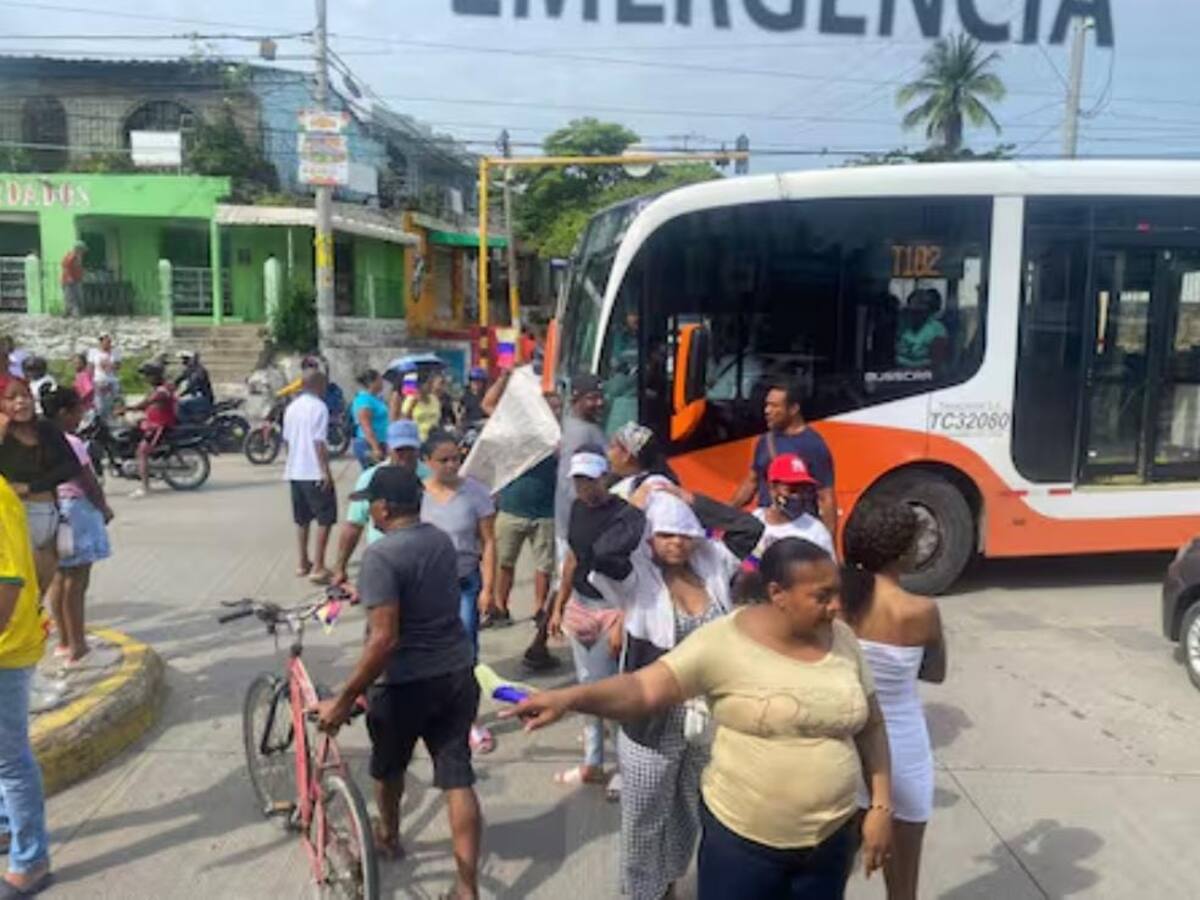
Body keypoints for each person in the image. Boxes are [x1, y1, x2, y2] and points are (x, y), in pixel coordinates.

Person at [509, 537, 895, 900]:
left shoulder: (841, 638)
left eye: (836, 593)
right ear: (777, 594)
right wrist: (569, 698)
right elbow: (643, 690)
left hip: (830, 844)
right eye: (821, 596)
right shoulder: (723, 642)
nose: (836, 606)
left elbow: (872, 725)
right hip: (744, 848)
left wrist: (880, 806)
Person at [584, 483, 764, 900]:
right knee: (644, 817)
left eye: (683, 533)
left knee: (688, 810)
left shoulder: (712, 565)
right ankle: (641, 892)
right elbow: (604, 552)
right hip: (651, 722)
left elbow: (747, 529)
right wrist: (637, 507)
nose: (676, 543)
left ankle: (668, 883)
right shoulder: (636, 576)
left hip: (705, 720)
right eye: (665, 533)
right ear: (649, 536)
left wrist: (693, 500)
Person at [313, 467, 482, 899]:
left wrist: (345, 697)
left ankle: (388, 836)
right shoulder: (440, 541)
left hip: (404, 684)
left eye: (372, 502)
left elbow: (384, 638)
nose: (370, 509)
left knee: (389, 770)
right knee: (457, 779)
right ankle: (467, 890)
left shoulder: (382, 555)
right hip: (456, 674)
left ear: (384, 508)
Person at [840, 500, 946, 900]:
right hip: (901, 746)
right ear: (904, 552)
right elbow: (935, 672)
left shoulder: (839, 600)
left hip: (846, 739)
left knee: (831, 870)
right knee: (902, 885)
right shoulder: (920, 610)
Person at [545, 448, 643, 791]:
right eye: (579, 480)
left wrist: (623, 619)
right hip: (580, 606)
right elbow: (571, 560)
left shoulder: (627, 515)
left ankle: (623, 768)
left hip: (613, 608)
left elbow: (639, 571)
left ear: (605, 476)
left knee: (612, 693)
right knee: (587, 689)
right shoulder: (575, 509)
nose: (585, 487)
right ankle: (592, 762)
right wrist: (558, 606)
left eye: (591, 479)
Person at [420, 431, 497, 755]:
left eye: (457, 458)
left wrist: (488, 589)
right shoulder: (416, 495)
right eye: (444, 460)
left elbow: (489, 542)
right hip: (425, 589)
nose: (453, 465)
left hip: (465, 583)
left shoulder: (475, 493)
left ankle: (469, 721)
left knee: (466, 653)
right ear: (427, 462)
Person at [0, 475, 53, 896]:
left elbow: (9, 580)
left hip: (5, 647)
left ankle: (31, 860)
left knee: (10, 758)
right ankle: (5, 825)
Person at [42, 387, 113, 666]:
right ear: (64, 413)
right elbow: (87, 479)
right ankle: (79, 648)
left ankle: (64, 641)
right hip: (78, 510)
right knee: (77, 581)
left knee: (60, 578)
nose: (81, 414)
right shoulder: (70, 442)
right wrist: (104, 507)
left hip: (55, 509)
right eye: (77, 410)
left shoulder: (41, 439)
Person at [0, 378, 81, 595]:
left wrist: (31, 487)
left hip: (48, 515)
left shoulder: (45, 428)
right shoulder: (3, 435)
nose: (21, 402)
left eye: (25, 396)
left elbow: (71, 466)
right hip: (12, 520)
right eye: (12, 398)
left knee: (38, 593)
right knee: (18, 591)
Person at [730, 379, 837, 538]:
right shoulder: (764, 441)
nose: (767, 411)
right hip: (768, 529)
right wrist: (726, 512)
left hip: (799, 530)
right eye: (767, 405)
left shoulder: (814, 445)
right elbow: (752, 481)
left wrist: (828, 544)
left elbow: (826, 498)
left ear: (793, 409)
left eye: (774, 406)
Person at [331, 420, 425, 586]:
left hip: (422, 561)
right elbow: (354, 525)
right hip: (382, 560)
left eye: (410, 449)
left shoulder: (430, 477)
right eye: (399, 450)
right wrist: (340, 567)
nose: (405, 455)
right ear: (389, 448)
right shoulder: (370, 477)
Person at [282, 370, 336, 584]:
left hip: (295, 470)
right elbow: (319, 442)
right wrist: (325, 471)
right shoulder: (319, 408)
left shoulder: (291, 408)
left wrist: (292, 461)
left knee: (302, 519)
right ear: (318, 385)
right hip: (313, 471)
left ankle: (303, 562)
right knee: (325, 518)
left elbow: (286, 440)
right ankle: (319, 565)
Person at [554, 374, 607, 555]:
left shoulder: (588, 426)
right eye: (592, 398)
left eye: (601, 396)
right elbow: (571, 485)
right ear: (577, 399)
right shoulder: (578, 434)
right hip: (577, 527)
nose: (599, 402)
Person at [126, 363, 177, 500]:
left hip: (159, 426)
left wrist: (128, 408)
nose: (145, 379)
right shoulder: (157, 389)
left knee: (141, 452)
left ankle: (145, 488)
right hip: (151, 423)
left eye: (147, 376)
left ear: (154, 376)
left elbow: (146, 403)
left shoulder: (161, 391)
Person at [606, 422, 678, 501]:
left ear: (626, 455)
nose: (607, 453)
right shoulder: (665, 483)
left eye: (612, 447)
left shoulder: (623, 493)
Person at [896, 288, 950, 371]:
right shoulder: (901, 326)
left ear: (928, 309)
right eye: (913, 306)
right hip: (899, 372)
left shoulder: (938, 330)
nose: (916, 307)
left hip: (928, 376)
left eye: (921, 305)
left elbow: (936, 362)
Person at [350, 369, 389, 471]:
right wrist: (375, 447)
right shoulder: (364, 400)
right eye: (380, 380)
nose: (382, 383)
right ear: (372, 382)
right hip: (368, 444)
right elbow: (366, 426)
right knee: (373, 475)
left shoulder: (376, 398)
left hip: (380, 442)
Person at [400, 371, 445, 442]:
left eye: (430, 383)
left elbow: (438, 418)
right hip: (417, 438)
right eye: (427, 384)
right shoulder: (410, 399)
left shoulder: (434, 399)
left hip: (434, 438)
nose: (429, 386)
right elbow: (405, 420)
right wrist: (412, 404)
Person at [175, 351, 214, 422]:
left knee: (180, 404)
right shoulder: (189, 370)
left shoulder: (200, 370)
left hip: (204, 398)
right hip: (196, 396)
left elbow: (193, 384)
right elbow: (178, 380)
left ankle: (187, 425)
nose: (184, 362)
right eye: (183, 359)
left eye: (186, 359)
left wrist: (181, 394)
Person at [88, 333, 119, 422]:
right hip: (99, 381)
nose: (108, 344)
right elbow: (90, 367)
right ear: (101, 342)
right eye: (106, 342)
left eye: (109, 342)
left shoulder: (115, 352)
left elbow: (118, 366)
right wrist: (91, 382)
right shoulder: (94, 352)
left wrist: (110, 364)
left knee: (113, 403)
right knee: (100, 405)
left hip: (112, 381)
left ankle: (112, 420)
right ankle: (100, 421)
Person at [61, 240, 86, 317]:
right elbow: (66, 267)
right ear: (78, 249)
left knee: (77, 297)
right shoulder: (71, 256)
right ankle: (73, 313)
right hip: (69, 280)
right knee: (71, 297)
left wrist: (82, 275)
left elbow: (78, 268)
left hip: (76, 279)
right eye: (82, 249)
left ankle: (71, 313)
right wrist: (69, 277)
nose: (83, 251)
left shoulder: (78, 257)